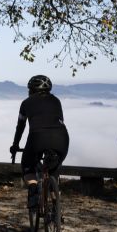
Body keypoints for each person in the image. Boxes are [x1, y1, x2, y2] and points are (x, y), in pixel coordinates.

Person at [9, 75, 70, 208]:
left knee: (28, 166)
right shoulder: (56, 101)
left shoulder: (26, 103)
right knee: (53, 168)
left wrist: (15, 145)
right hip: (61, 138)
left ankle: (33, 190)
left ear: (31, 90)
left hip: (37, 137)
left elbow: (20, 126)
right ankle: (55, 207)